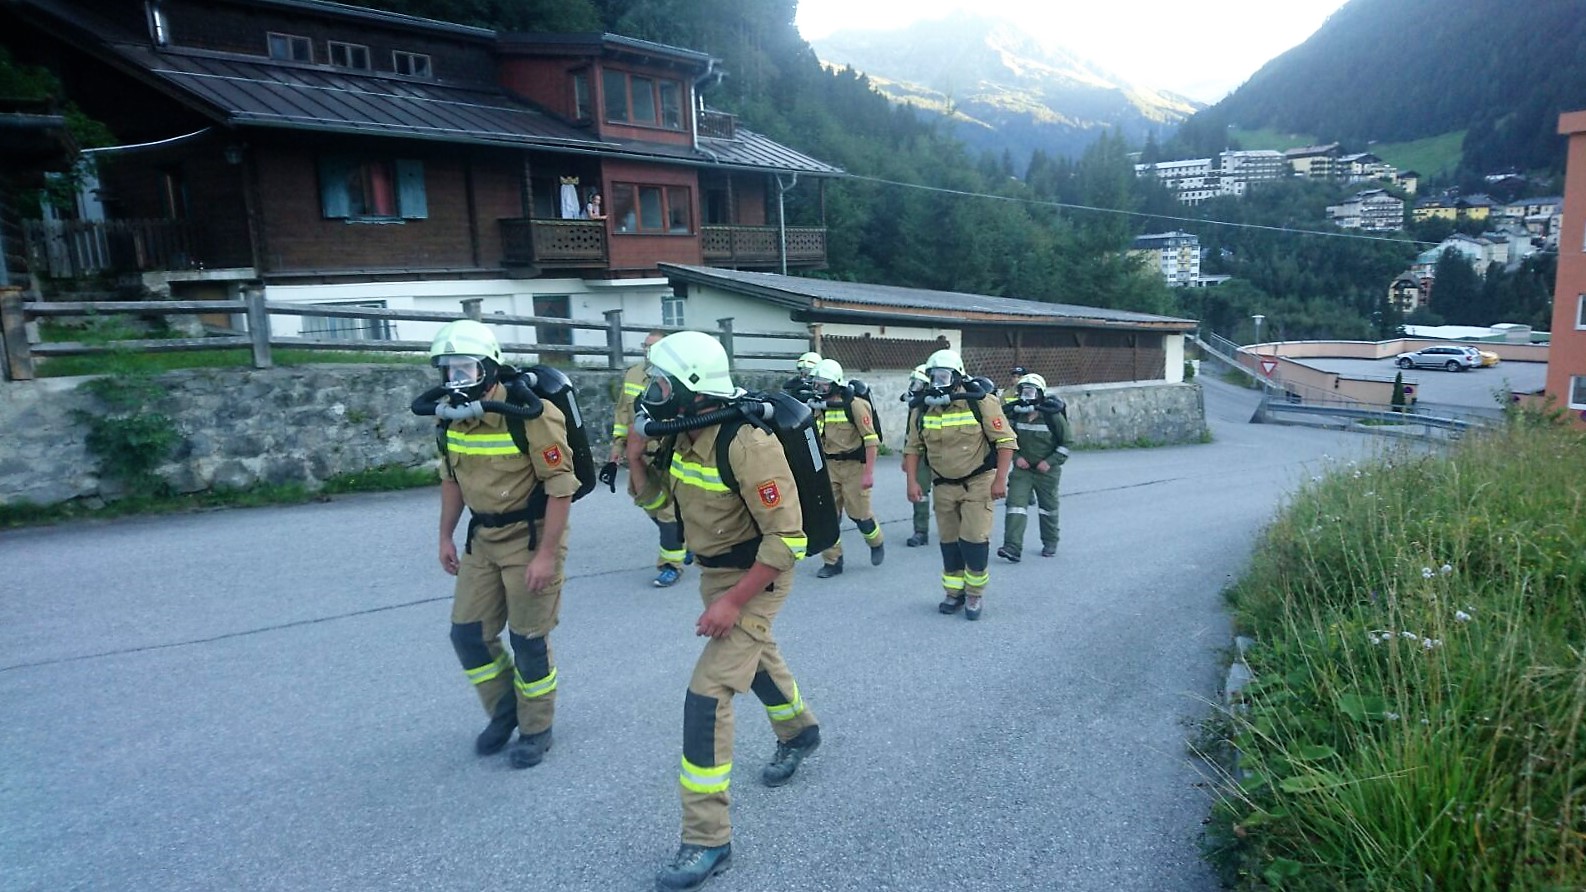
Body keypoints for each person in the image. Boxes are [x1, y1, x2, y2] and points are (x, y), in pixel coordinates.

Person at [627, 331, 821, 892]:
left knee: (707, 695)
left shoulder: (747, 443)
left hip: (759, 576)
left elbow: (787, 540)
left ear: (691, 388)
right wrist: (636, 460)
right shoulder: (680, 434)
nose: (650, 391)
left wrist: (734, 602)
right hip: (716, 573)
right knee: (754, 661)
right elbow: (665, 509)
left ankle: (707, 838)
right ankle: (800, 731)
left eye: (660, 383)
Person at [430, 319, 576, 768]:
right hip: (483, 540)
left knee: (528, 639)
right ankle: (505, 709)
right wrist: (445, 535)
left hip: (530, 539)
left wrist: (546, 556)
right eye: (448, 370)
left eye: (466, 369)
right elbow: (452, 480)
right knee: (467, 635)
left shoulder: (532, 414)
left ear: (490, 369)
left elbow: (561, 488)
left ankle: (536, 728)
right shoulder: (451, 418)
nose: (456, 379)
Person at [902, 348, 1015, 622]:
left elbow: (1005, 441)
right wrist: (912, 482)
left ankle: (974, 593)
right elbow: (913, 448)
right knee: (949, 542)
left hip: (978, 481)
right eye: (933, 376)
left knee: (974, 539)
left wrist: (1000, 479)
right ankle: (954, 593)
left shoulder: (981, 402)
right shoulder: (922, 408)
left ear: (958, 377)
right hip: (943, 485)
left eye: (944, 376)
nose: (937, 382)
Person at [609, 329, 689, 587]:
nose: (649, 352)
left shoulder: (675, 376)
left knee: (667, 512)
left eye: (655, 347)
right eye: (646, 347)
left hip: (666, 450)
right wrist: (617, 445)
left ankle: (671, 565)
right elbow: (623, 412)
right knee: (645, 500)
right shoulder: (633, 374)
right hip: (638, 452)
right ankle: (684, 538)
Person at [808, 358, 883, 577]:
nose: (818, 389)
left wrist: (868, 473)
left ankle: (876, 542)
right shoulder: (818, 407)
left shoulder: (855, 405)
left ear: (835, 384)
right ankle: (833, 561)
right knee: (828, 516)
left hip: (854, 467)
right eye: (816, 384)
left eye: (823, 384)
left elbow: (871, 441)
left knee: (860, 515)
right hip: (829, 466)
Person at [997, 372, 1071, 562]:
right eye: (1024, 391)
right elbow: (1007, 439)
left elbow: (1066, 443)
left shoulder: (1052, 416)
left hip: (1047, 472)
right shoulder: (1016, 415)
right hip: (1023, 470)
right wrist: (1017, 457)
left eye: (1031, 392)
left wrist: (1050, 462)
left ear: (1040, 394)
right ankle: (1012, 547)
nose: (1026, 395)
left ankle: (1050, 542)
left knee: (1048, 508)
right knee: (1015, 506)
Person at [900, 365, 933, 547]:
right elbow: (910, 435)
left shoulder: (943, 403)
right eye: (914, 383)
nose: (914, 388)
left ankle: (960, 530)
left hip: (945, 455)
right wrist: (906, 457)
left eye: (919, 384)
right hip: (922, 454)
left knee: (952, 493)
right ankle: (921, 531)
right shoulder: (916, 407)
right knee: (920, 491)